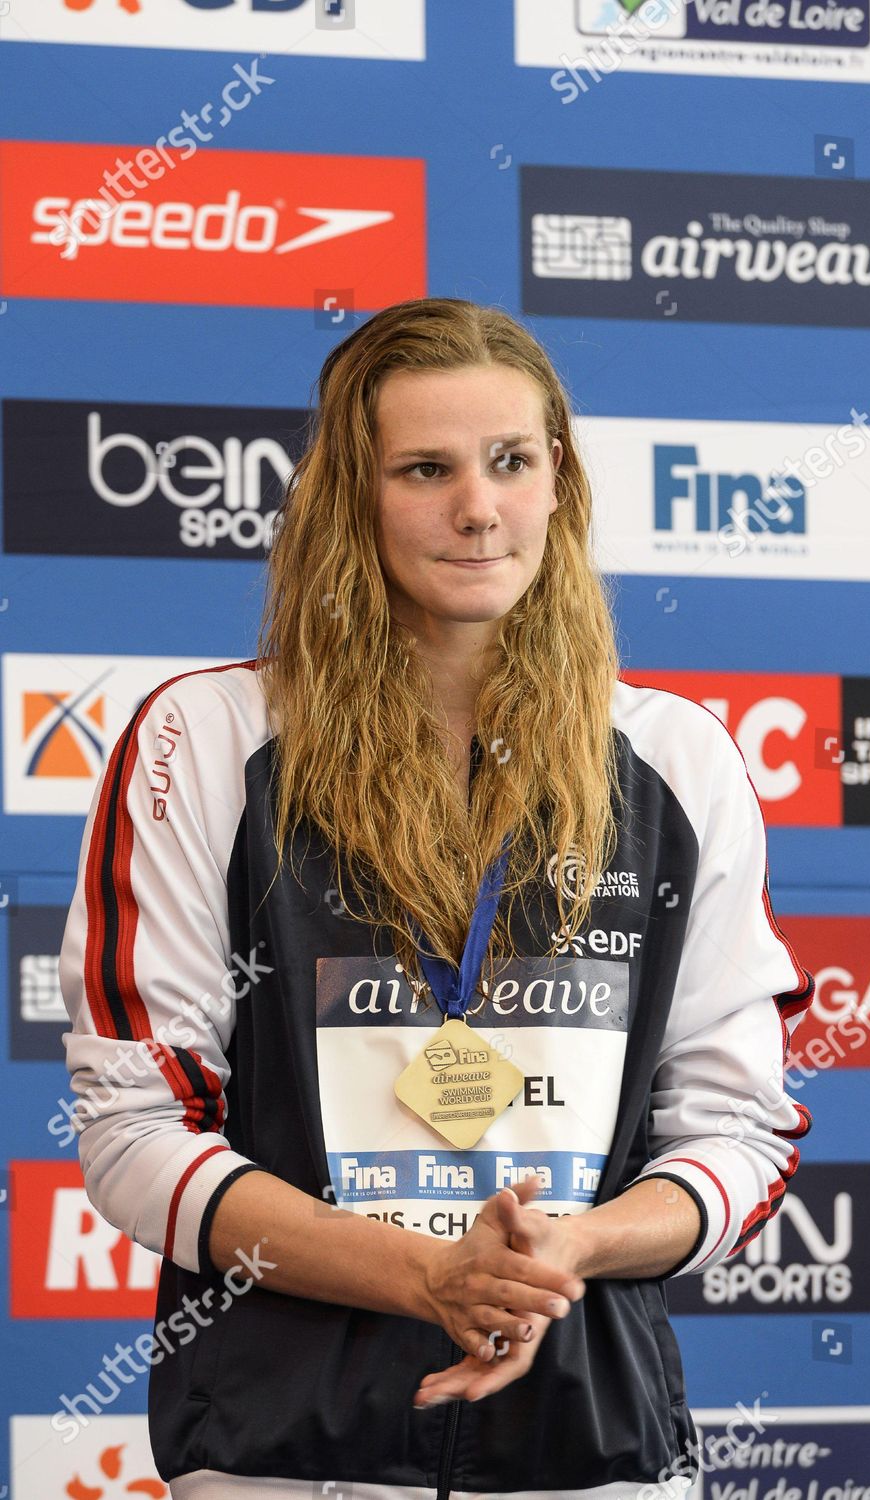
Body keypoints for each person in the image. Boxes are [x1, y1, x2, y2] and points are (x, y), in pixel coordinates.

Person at [58, 297, 817, 1499]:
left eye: (512, 461)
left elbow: (739, 1134)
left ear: (558, 480)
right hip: (281, 1451)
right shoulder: (200, 743)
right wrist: (422, 1276)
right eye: (426, 469)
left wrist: (563, 1252)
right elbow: (135, 1135)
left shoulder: (678, 758)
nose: (478, 508)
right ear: (348, 499)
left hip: (591, 1443)